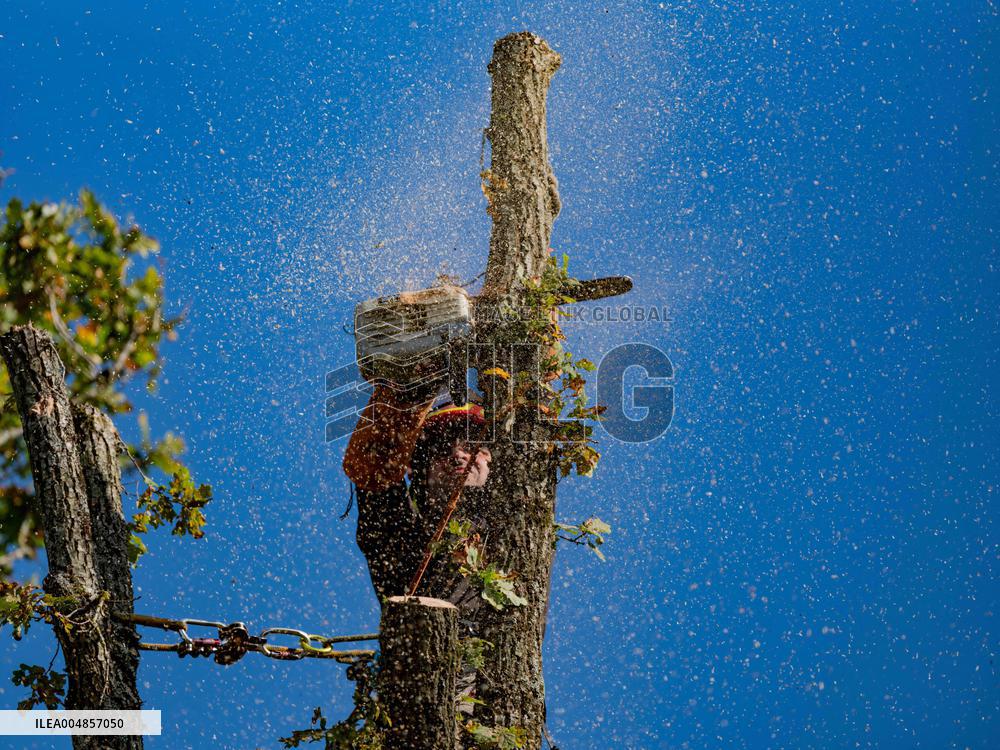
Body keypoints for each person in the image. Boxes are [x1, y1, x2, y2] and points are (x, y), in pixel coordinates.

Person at [342, 382, 492, 606]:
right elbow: (372, 469)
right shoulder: (403, 533)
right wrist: (409, 385)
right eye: (442, 449)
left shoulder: (513, 517)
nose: (458, 455)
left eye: (469, 445)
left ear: (489, 457)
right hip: (429, 633)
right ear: (421, 472)